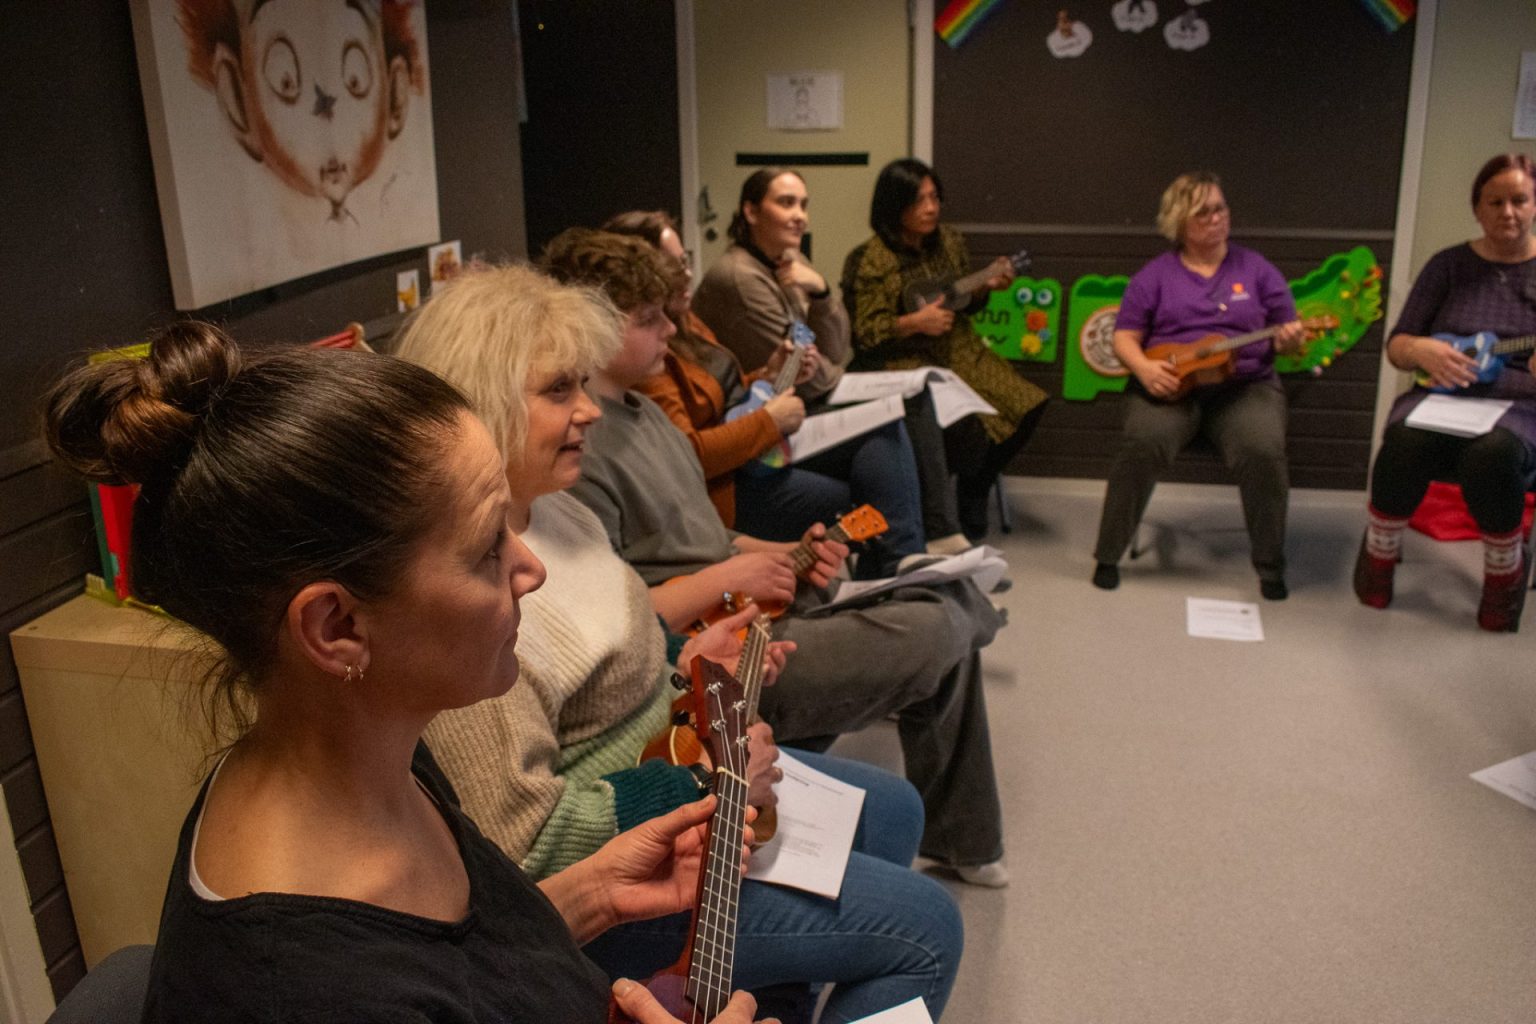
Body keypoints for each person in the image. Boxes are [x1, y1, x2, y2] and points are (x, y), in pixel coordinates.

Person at [43, 322, 760, 1024]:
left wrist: (594, 893)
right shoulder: (301, 991)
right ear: (337, 627)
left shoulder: (372, 753)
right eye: (486, 548)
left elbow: (462, 972)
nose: (531, 568)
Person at [395, 262, 968, 1022]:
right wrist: (696, 777)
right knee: (928, 929)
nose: (590, 410)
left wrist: (688, 668)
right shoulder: (468, 598)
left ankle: (775, 986)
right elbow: (524, 842)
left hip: (689, 766)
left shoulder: (560, 514)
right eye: (558, 390)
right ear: (483, 404)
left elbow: (629, 647)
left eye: (583, 384)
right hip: (629, 868)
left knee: (893, 811)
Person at [540, 229, 1014, 890]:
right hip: (710, 653)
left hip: (751, 607)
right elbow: (618, 625)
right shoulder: (578, 453)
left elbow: (712, 539)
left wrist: (788, 553)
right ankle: (956, 821)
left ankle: (963, 836)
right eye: (648, 321)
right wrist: (735, 574)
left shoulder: (647, 414)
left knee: (946, 610)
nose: (670, 329)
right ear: (585, 325)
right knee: (944, 625)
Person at [603, 209, 926, 577]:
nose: (687, 274)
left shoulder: (684, 320)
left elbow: (731, 395)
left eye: (685, 260)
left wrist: (770, 372)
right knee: (861, 492)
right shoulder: (649, 353)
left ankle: (904, 564)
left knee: (885, 427)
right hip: (729, 484)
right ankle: (899, 573)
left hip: (754, 449)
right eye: (673, 265)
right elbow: (688, 454)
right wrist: (769, 421)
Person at [1087, 171, 1303, 601]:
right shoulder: (1154, 276)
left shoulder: (1256, 269)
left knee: (1262, 450)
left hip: (1245, 387)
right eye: (1203, 212)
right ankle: (1108, 554)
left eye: (1220, 208)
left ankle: (1269, 565)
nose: (1216, 218)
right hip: (1170, 385)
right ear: (1179, 221)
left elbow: (1289, 333)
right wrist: (1146, 371)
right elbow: (1125, 336)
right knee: (1143, 442)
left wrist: (1292, 339)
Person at [1353, 152, 1536, 632]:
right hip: (1442, 399)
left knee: (1493, 456)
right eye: (1494, 202)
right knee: (1404, 443)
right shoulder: (1447, 266)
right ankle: (1380, 550)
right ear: (1477, 209)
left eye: (1519, 200)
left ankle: (1504, 570)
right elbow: (1397, 345)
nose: (1508, 212)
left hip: (1518, 407)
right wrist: (1421, 349)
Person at [842, 158, 1050, 544]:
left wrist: (986, 287)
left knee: (1029, 404)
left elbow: (965, 304)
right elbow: (863, 334)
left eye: (935, 197)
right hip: (901, 360)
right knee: (964, 426)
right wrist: (912, 323)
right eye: (919, 200)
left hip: (957, 346)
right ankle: (938, 509)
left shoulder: (950, 241)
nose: (931, 208)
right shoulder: (868, 259)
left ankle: (976, 486)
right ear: (893, 206)